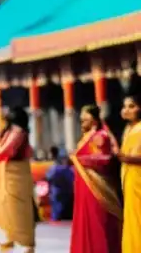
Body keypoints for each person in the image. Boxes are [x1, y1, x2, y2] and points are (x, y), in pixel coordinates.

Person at [69, 103, 122, 252]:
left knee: (97, 220)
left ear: (94, 121)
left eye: (84, 120)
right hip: (85, 186)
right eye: (81, 120)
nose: (82, 123)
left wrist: (81, 159)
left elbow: (105, 159)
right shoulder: (87, 136)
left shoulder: (100, 136)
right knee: (85, 219)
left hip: (96, 187)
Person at [0, 106, 36, 252]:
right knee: (6, 207)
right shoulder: (9, 131)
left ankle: (27, 243)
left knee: (19, 208)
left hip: (17, 173)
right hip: (6, 173)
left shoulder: (18, 132)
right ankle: (10, 237)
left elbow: (7, 151)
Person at [118, 94, 141, 252]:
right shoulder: (128, 129)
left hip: (139, 179)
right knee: (131, 218)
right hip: (129, 179)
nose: (126, 110)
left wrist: (126, 158)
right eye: (125, 106)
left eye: (131, 106)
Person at [45, 146, 74, 222]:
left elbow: (48, 177)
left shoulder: (55, 168)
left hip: (58, 194)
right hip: (66, 194)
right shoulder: (69, 169)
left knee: (57, 216)